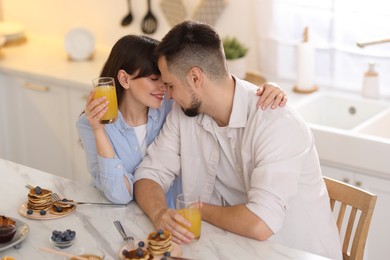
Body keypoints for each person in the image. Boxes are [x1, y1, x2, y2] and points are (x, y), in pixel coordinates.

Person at [133, 21, 342, 260]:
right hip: (233, 248)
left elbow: (260, 224)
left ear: (195, 78)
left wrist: (199, 210)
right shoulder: (184, 114)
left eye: (170, 85)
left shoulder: (277, 123)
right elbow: (149, 172)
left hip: (295, 252)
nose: (168, 95)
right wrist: (160, 213)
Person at [76, 34, 287, 207]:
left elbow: (212, 88)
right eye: (153, 79)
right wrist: (99, 131)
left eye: (166, 81)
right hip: (120, 221)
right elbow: (119, 196)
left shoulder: (172, 106)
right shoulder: (91, 124)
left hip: (172, 220)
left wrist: (263, 90)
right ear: (124, 79)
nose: (164, 89)